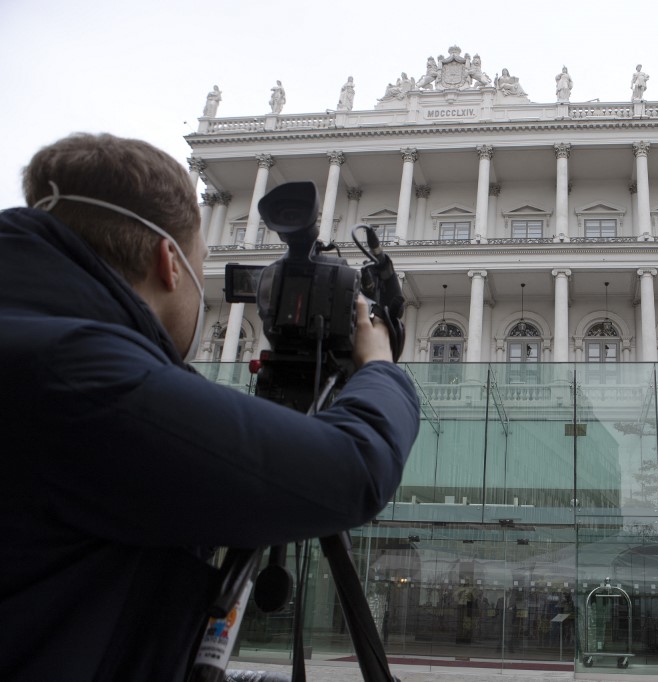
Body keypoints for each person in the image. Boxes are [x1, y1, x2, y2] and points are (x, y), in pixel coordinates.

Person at [0, 133, 421, 681]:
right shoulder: (81, 374)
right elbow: (356, 468)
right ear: (168, 264)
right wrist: (381, 366)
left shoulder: (38, 342)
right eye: (202, 268)